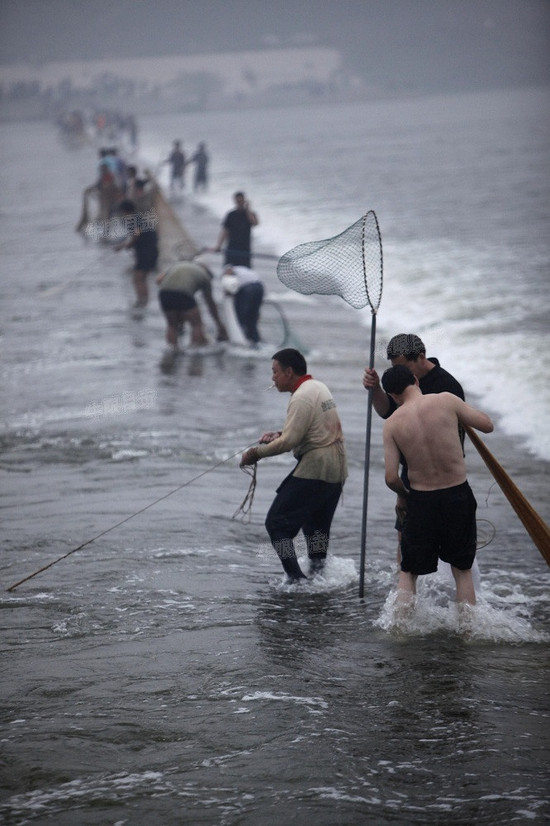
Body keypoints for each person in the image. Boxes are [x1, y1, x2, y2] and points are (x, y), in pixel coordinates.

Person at [381, 364, 493, 607]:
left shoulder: (392, 424)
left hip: (421, 500)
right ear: (415, 380)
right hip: (457, 495)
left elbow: (391, 477)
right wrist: (459, 415)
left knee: (409, 571)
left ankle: (400, 625)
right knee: (462, 570)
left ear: (393, 396)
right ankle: (467, 626)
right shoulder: (446, 401)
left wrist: (405, 495)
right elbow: (487, 425)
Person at [241, 348, 348, 582]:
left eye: (275, 372)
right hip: (337, 469)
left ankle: (296, 580)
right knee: (316, 531)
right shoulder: (318, 387)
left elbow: (289, 442)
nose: (273, 378)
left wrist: (255, 454)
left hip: (316, 468)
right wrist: (280, 434)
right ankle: (319, 580)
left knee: (276, 524)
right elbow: (309, 431)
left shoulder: (301, 396)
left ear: (289, 372)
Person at [363, 333, 465, 557]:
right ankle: (404, 575)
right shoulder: (402, 380)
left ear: (421, 357)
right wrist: (376, 388)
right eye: (396, 368)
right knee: (405, 537)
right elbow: (387, 412)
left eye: (405, 367)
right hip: (410, 471)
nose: (403, 374)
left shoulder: (447, 387)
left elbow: (457, 438)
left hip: (445, 474)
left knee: (452, 541)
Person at [156, 259, 228, 349]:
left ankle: (172, 349)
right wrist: (219, 325)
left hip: (164, 293)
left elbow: (158, 280)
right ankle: (195, 350)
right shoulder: (205, 277)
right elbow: (210, 304)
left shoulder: (179, 265)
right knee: (196, 324)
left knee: (172, 325)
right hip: (183, 293)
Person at [114, 199, 159, 309]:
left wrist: (127, 245)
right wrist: (123, 246)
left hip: (145, 253)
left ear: (124, 211)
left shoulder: (132, 219)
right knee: (141, 279)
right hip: (150, 252)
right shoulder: (138, 218)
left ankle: (141, 303)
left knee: (137, 279)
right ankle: (144, 302)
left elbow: (136, 234)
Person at [222, 264, 264, 346]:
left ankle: (241, 339)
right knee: (253, 317)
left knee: (240, 316)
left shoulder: (231, 275)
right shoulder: (242, 269)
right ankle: (255, 340)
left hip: (247, 289)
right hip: (259, 288)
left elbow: (229, 292)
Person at [214, 192, 259, 267]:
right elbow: (225, 231)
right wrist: (219, 245)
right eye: (238, 201)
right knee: (229, 269)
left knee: (244, 270)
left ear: (244, 201)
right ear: (235, 201)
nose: (240, 203)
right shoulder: (231, 215)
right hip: (232, 248)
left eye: (241, 201)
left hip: (245, 249)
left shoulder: (250, 214)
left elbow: (255, 223)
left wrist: (248, 209)